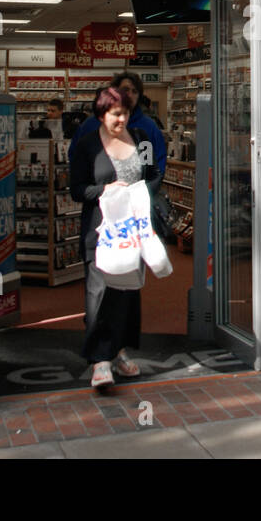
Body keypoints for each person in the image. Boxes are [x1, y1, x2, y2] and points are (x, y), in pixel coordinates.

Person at [71, 87, 162, 388]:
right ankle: (100, 360)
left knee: (126, 293)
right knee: (98, 294)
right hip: (100, 231)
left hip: (132, 230)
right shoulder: (86, 146)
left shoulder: (141, 139)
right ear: (101, 114)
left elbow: (153, 174)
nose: (121, 119)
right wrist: (105, 191)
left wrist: (142, 193)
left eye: (125, 113)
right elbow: (76, 189)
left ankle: (118, 351)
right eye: (115, 114)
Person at [71, 71, 167, 177]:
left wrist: (147, 190)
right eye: (125, 89)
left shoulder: (148, 127)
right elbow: (75, 157)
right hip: (99, 190)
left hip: (138, 191)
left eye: (134, 91)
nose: (130, 95)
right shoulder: (92, 124)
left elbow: (158, 164)